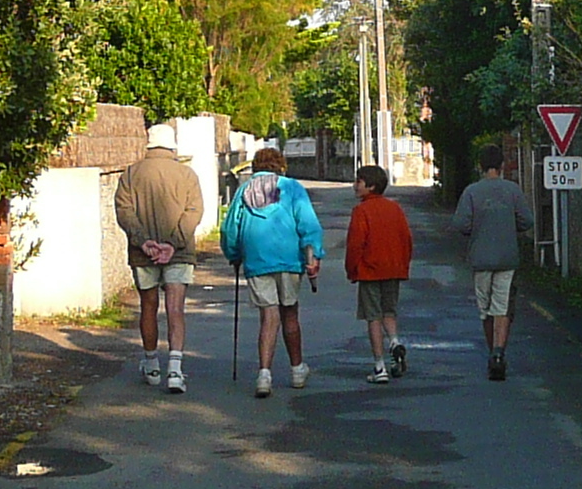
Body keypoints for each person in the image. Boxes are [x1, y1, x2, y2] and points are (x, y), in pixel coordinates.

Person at [221, 145, 323, 397]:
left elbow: (229, 229)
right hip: (289, 259)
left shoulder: (244, 190)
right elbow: (308, 225)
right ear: (281, 166)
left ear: (255, 167)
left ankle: (264, 375)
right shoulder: (292, 188)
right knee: (290, 314)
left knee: (269, 317)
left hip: (257, 260)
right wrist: (313, 255)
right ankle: (297, 369)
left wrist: (234, 254)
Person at [114, 137, 205, 394]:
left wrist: (144, 242)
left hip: (144, 253)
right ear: (172, 146)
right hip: (179, 251)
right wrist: (173, 244)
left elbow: (124, 211)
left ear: (149, 144)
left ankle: (152, 363)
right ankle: (175, 369)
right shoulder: (186, 174)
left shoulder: (131, 173)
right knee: (175, 308)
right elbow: (194, 211)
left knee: (148, 306)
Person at [453, 142, 533, 381]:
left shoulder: (471, 192)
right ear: (501, 165)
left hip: (480, 258)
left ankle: (492, 352)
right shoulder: (513, 190)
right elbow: (527, 221)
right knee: (502, 307)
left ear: (480, 165)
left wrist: (477, 229)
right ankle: (499, 352)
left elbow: (461, 224)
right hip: (507, 257)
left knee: (485, 309)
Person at [343, 164, 413, 383]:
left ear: (370, 186)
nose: (355, 186)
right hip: (394, 268)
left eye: (359, 182)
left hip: (369, 271)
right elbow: (406, 239)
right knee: (389, 311)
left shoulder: (361, 211)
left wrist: (352, 269)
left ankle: (379, 366)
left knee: (373, 317)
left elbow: (356, 244)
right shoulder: (395, 208)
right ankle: (394, 341)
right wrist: (403, 264)